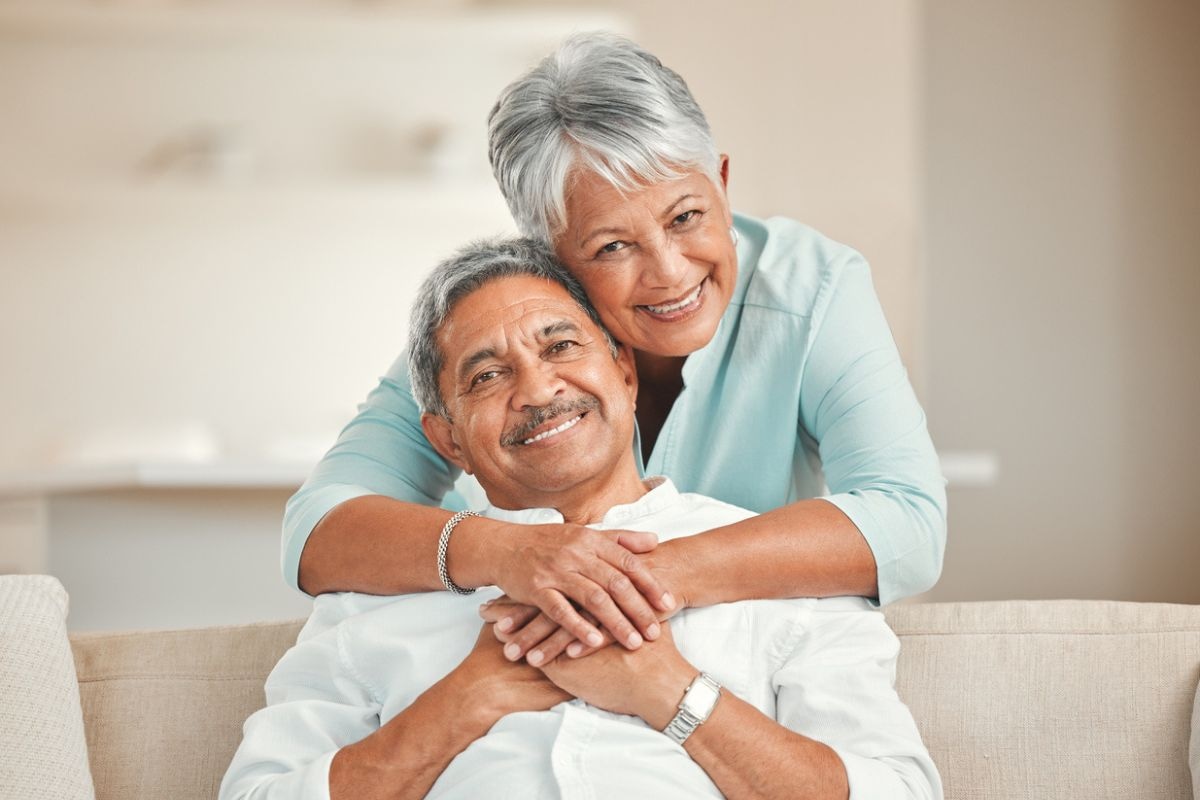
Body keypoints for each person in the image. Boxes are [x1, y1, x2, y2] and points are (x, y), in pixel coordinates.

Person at [283, 32, 947, 664]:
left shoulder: (815, 286)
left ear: (720, 180)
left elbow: (909, 523)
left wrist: (639, 577)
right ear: (549, 255)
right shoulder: (499, 318)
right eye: (612, 246)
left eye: (686, 216)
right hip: (516, 647)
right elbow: (316, 530)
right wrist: (510, 555)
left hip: (731, 657)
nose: (669, 272)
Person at [222, 240, 941, 800]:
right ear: (448, 441)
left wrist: (670, 693)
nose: (538, 389)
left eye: (561, 345)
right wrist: (465, 700)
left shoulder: (787, 577)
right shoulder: (371, 599)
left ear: (625, 373)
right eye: (487, 375)